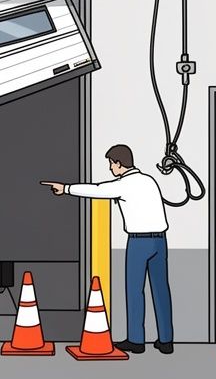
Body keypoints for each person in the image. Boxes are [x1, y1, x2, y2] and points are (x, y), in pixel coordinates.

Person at [41, 144, 174, 354]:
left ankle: (136, 341)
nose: (110, 168)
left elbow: (98, 190)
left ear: (118, 164)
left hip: (139, 243)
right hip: (160, 241)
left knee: (134, 290)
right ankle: (166, 342)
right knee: (161, 290)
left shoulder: (124, 184)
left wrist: (66, 188)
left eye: (111, 164)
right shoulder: (149, 180)